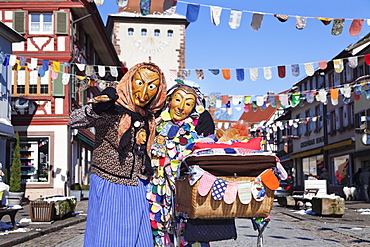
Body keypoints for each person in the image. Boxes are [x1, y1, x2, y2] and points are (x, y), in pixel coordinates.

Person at [69, 62, 167, 246]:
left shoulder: (149, 116)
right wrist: (97, 108)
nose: (144, 92)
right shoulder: (112, 107)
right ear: (130, 81)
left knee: (140, 239)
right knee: (108, 238)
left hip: (137, 185)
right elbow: (74, 120)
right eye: (140, 83)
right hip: (109, 184)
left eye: (152, 86)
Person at [148, 82, 215, 246]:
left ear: (194, 107)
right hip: (158, 193)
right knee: (158, 231)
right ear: (169, 100)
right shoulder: (154, 124)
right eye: (178, 100)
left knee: (190, 235)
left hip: (187, 193)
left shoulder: (197, 128)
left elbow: (207, 160)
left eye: (188, 103)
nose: (181, 107)